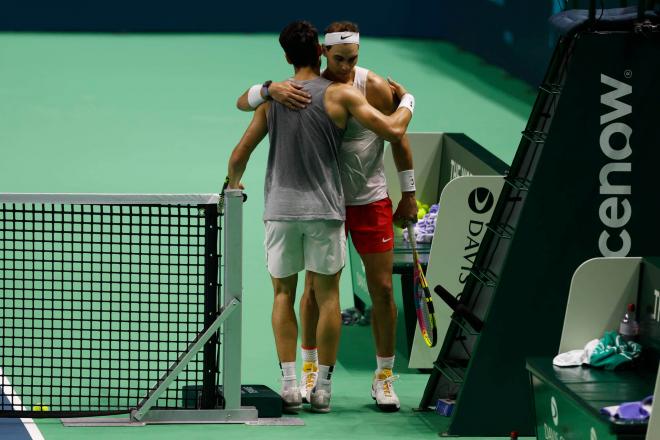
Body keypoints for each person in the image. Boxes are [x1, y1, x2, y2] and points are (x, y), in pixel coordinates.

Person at [227, 20, 415, 414]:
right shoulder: (302, 93)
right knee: (315, 294)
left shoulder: (368, 88)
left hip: (362, 200)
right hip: (325, 207)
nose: (347, 66)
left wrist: (409, 193)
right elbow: (243, 102)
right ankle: (310, 376)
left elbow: (397, 137)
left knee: (380, 291)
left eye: (354, 59)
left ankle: (381, 379)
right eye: (340, 58)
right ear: (323, 53)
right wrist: (268, 88)